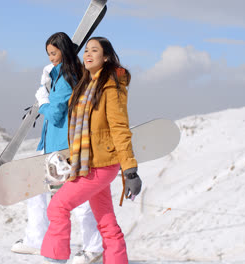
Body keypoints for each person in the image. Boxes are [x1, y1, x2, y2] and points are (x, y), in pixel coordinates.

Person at [40, 36, 143, 264]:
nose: (87, 54)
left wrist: (131, 171)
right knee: (106, 222)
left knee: (57, 207)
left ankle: (54, 260)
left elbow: (119, 128)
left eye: (94, 51)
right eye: (86, 50)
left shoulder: (111, 87)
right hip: (86, 162)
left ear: (105, 57)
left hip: (100, 164)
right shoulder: (85, 85)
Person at [11, 32, 104, 264]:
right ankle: (36, 239)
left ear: (64, 51)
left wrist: (43, 99)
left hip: (63, 148)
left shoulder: (66, 77)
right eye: (49, 54)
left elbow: (55, 113)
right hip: (51, 145)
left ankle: (94, 247)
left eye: (54, 53)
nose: (51, 58)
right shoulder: (62, 75)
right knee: (36, 191)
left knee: (77, 198)